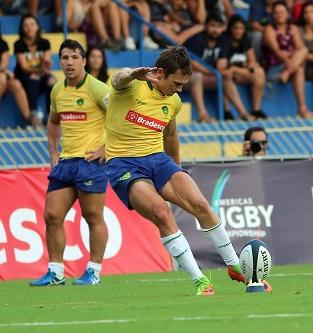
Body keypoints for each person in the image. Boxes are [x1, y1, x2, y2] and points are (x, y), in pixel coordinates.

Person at [105, 45, 270, 295]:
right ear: (159, 73)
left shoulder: (173, 102)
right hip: (124, 163)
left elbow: (170, 134)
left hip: (158, 160)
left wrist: (176, 170)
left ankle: (235, 266)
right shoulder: (130, 86)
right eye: (177, 83)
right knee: (162, 213)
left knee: (200, 204)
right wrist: (132, 73)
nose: (180, 89)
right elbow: (117, 79)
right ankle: (200, 281)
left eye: (184, 84)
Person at [29, 39, 110, 287]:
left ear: (84, 61)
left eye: (74, 57)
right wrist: (53, 151)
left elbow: (121, 118)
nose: (69, 62)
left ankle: (93, 271)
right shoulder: (57, 91)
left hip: (90, 162)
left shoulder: (97, 89)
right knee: (52, 215)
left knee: (92, 216)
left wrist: (107, 148)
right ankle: (56, 272)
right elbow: (53, 122)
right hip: (66, 162)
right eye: (65, 58)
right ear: (60, 62)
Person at [263, 1, 313, 118]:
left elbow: (301, 48)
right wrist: (291, 61)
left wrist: (288, 69)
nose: (279, 15)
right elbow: (277, 52)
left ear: (287, 14)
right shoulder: (269, 29)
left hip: (287, 69)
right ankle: (302, 109)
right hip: (274, 68)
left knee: (303, 53)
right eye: (276, 12)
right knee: (298, 67)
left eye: (282, 12)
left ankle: (302, 109)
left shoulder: (293, 28)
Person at [219, 15, 268, 120]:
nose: (238, 31)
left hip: (239, 73)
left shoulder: (246, 40)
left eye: (241, 28)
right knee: (226, 76)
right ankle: (232, 112)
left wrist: (236, 69)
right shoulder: (224, 41)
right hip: (228, 75)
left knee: (259, 73)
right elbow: (222, 68)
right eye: (235, 28)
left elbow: (252, 63)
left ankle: (256, 110)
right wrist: (236, 69)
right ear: (230, 28)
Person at [14, 14, 56, 125]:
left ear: (37, 27)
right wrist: (41, 69)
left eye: (32, 24)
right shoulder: (19, 44)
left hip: (41, 75)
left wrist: (46, 66)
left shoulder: (45, 43)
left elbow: (47, 62)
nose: (29, 28)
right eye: (26, 25)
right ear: (22, 29)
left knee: (51, 81)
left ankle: (49, 115)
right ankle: (33, 114)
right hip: (24, 78)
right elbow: (24, 67)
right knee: (34, 77)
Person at [0, 34, 32, 126]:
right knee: (2, 77)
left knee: (16, 83)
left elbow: (3, 64)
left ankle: (28, 119)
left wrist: (4, 71)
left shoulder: (2, 44)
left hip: (2, 79)